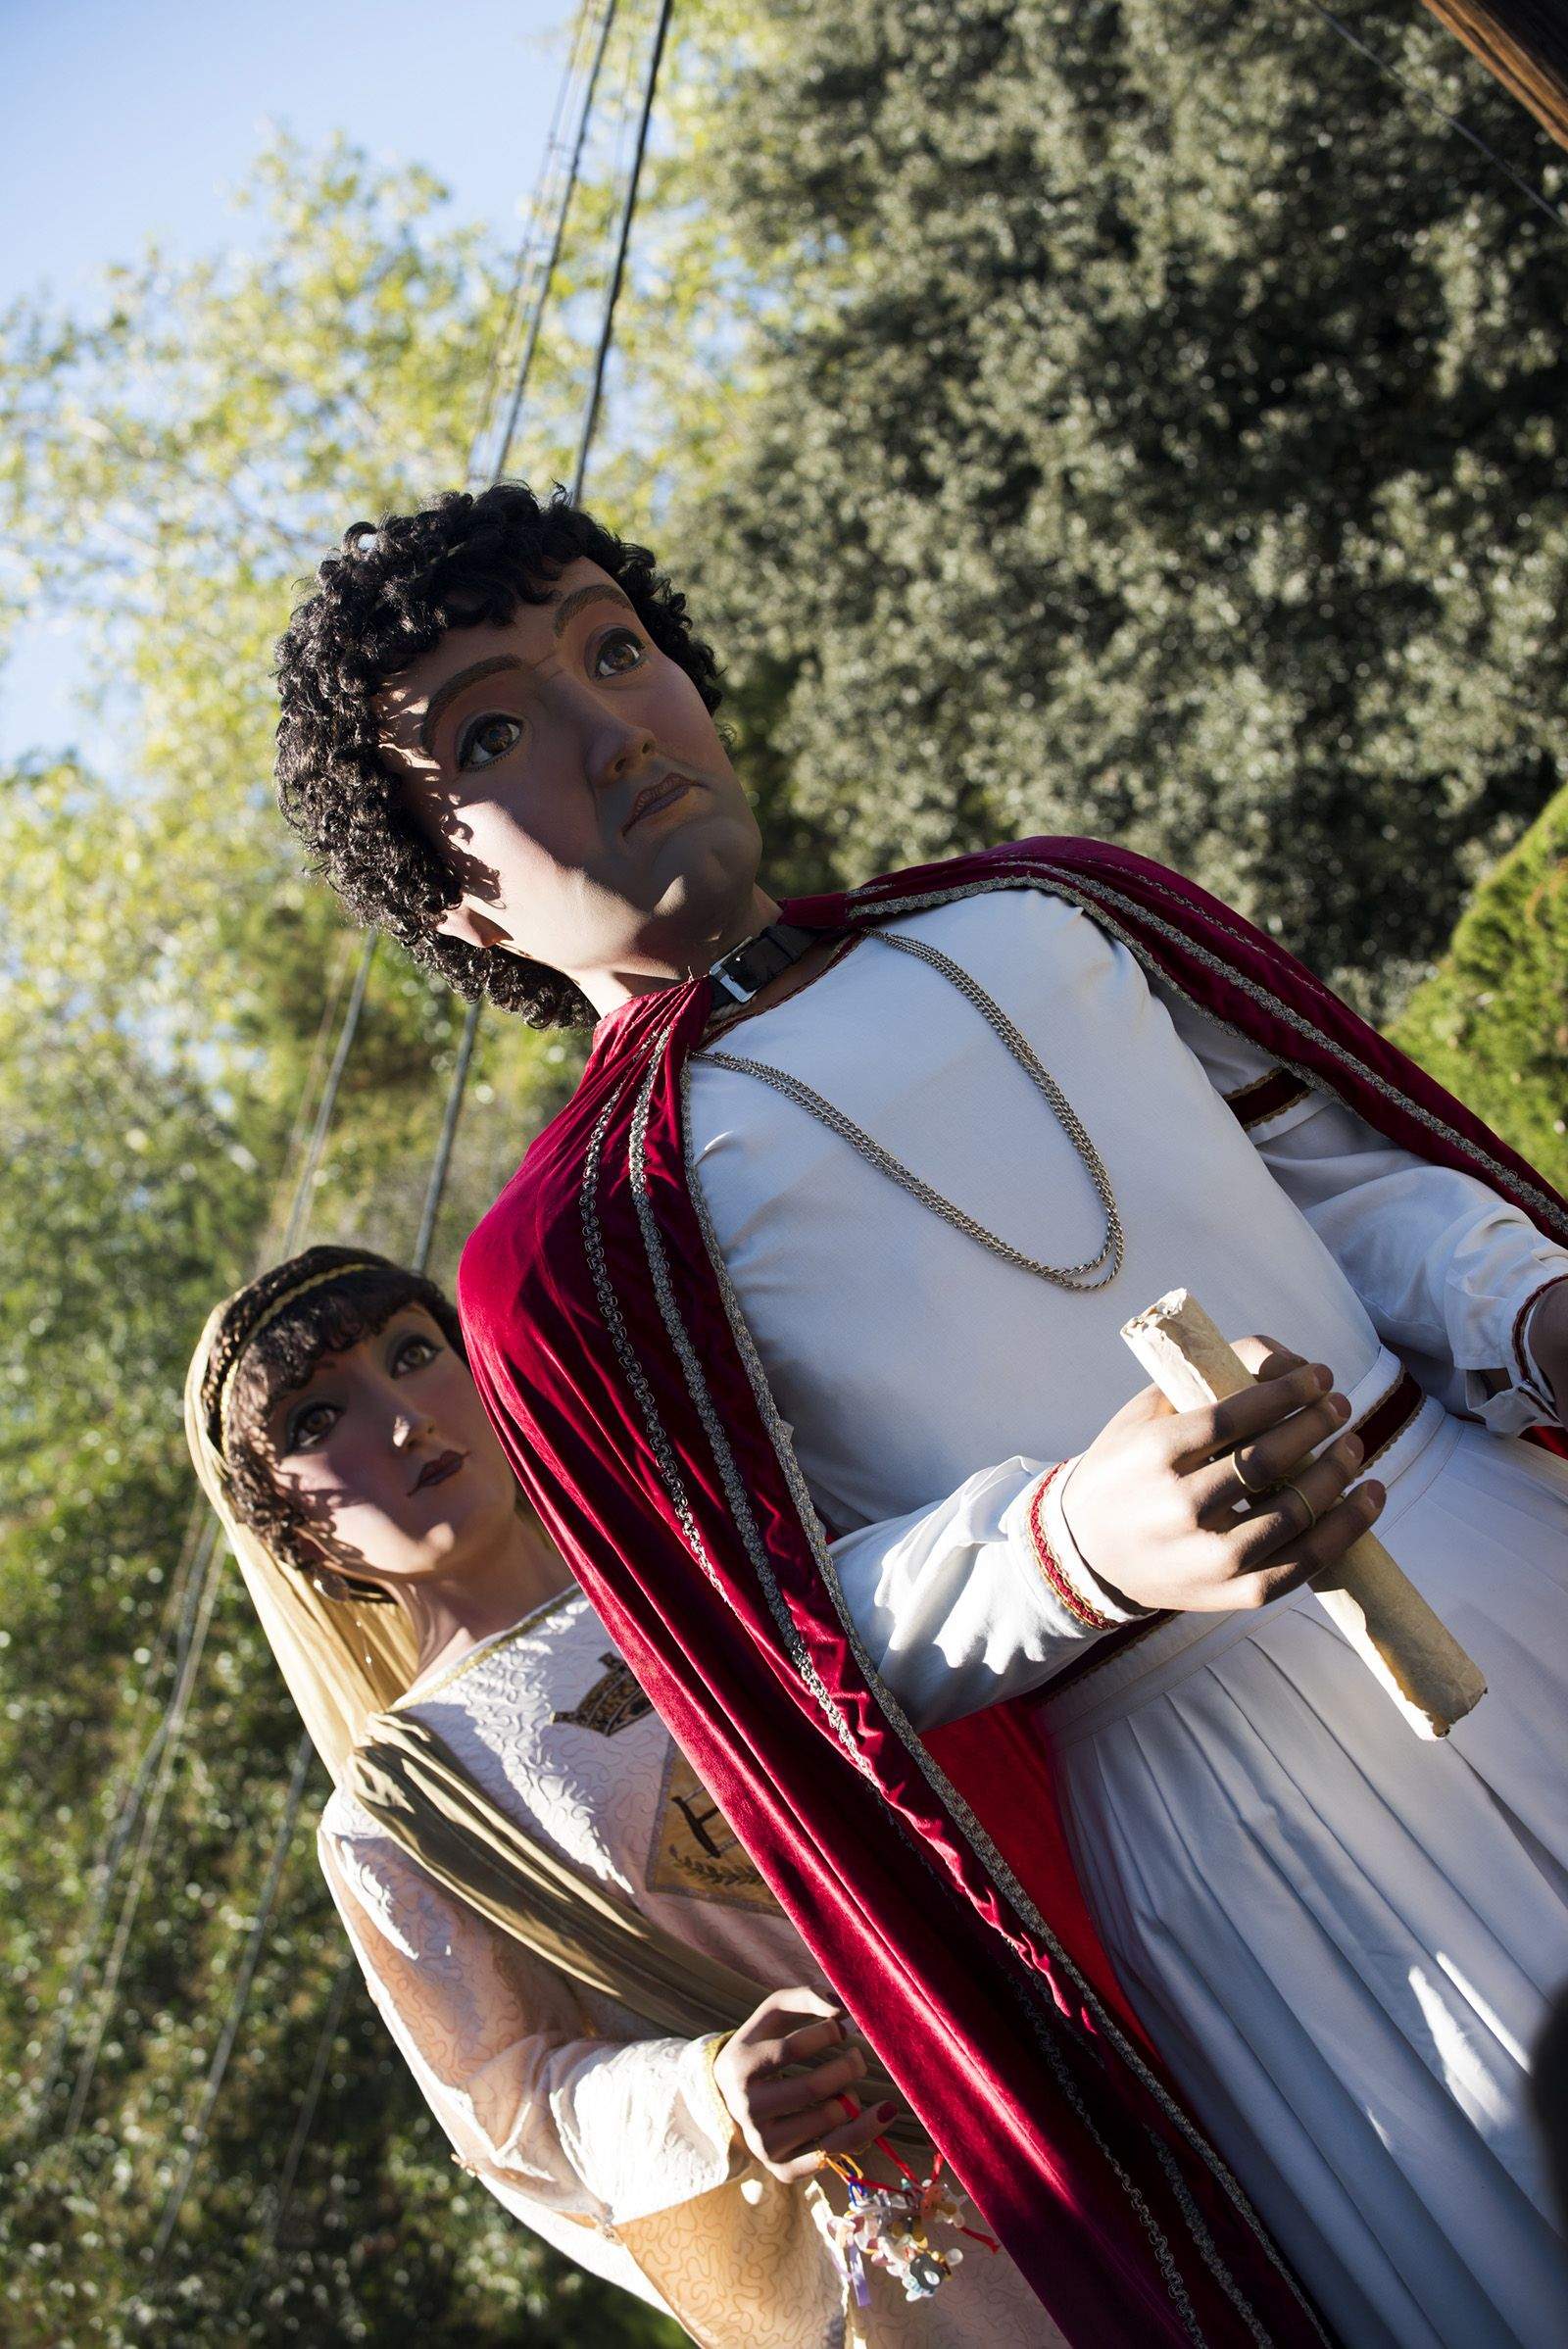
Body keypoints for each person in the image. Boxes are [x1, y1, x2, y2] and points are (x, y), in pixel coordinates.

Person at [272, 482, 1568, 2349]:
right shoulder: (573, 1256)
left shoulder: (1057, 910)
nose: (608, 726)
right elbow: (772, 1653)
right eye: (493, 733)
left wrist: (1526, 1307)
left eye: (616, 648)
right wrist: (1079, 1539)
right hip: (1239, 1806)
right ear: (449, 892)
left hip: (1511, 1554)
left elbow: (1343, 1191)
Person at [185, 1244, 1051, 2347]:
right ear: (283, 1522)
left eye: (413, 1353)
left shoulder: (709, 1549)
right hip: (915, 2207)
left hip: (1075, 2023)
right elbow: (510, 2110)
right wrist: (708, 2093)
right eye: (317, 1418)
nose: (403, 1419)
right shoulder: (397, 1811)